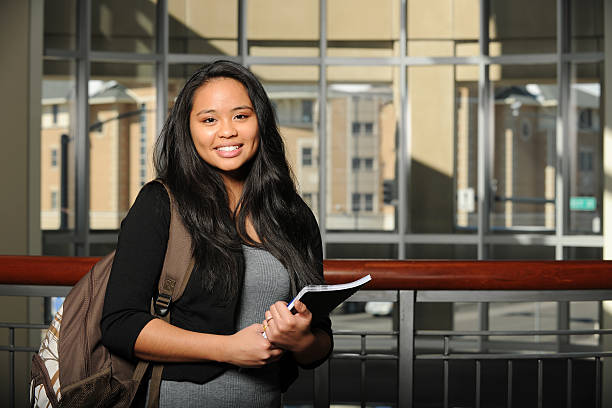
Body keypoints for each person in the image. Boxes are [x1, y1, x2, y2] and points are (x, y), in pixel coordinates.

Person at [100, 60, 333, 407]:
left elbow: (320, 342)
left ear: (261, 122)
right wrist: (228, 350)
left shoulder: (292, 215)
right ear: (189, 129)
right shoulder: (161, 203)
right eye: (209, 119)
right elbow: (120, 324)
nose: (227, 131)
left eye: (241, 116)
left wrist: (300, 341)